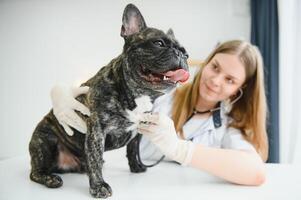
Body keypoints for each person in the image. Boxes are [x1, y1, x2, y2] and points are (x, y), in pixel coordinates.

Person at [51, 40, 268, 186]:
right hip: (121, 183)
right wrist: (62, 92)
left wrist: (180, 149)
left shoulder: (229, 126)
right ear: (207, 63)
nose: (215, 80)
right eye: (215, 67)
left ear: (240, 90)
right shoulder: (161, 92)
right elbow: (110, 90)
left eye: (230, 80)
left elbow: (256, 172)